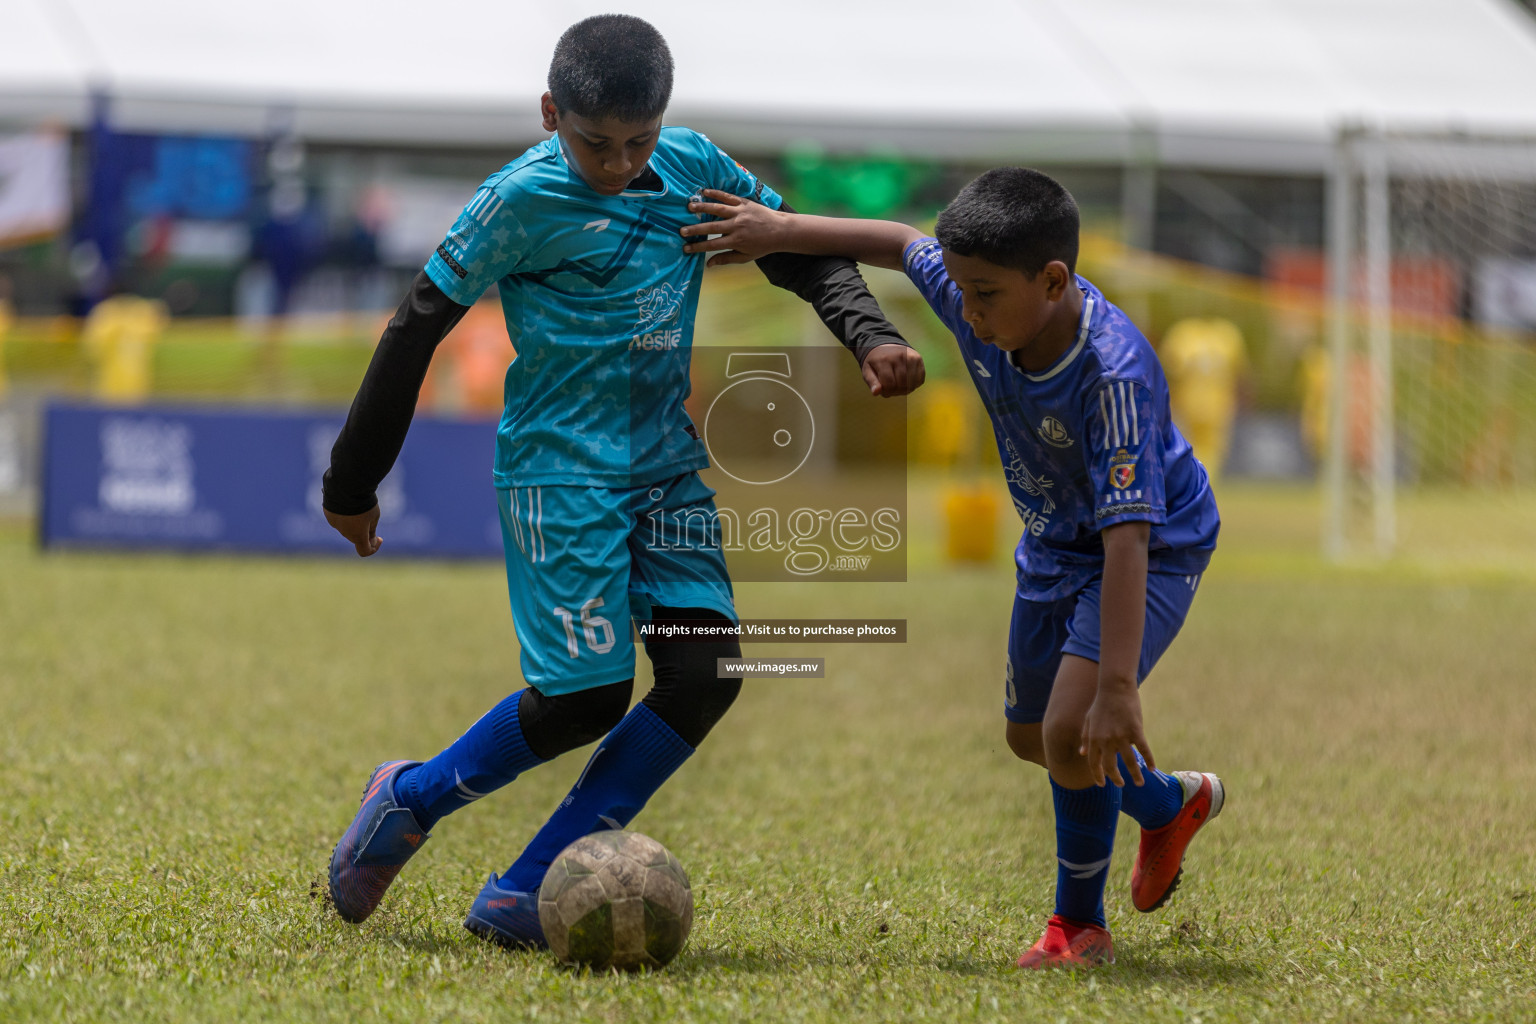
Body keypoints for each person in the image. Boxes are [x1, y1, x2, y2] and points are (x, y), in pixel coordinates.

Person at [321, 15, 923, 948]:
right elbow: (414, 327)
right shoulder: (516, 200)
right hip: (560, 473)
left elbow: (791, 245)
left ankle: (524, 888)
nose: (617, 162)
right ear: (550, 113)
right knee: (584, 698)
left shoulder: (690, 164)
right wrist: (353, 482)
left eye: (637, 141)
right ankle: (410, 798)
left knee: (704, 675)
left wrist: (870, 333)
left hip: (666, 470)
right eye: (595, 142)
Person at [681, 168, 1222, 968]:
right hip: (1053, 542)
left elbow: (1128, 541)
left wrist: (1117, 690)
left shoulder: (1114, 378)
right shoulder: (983, 295)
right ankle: (1168, 803)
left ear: (1053, 281)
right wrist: (775, 230)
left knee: (1073, 730)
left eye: (985, 295)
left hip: (1152, 543)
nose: (966, 313)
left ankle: (1078, 928)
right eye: (961, 291)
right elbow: (898, 244)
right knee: (1030, 738)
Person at [1159, 316, 1247, 480]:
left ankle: (1191, 483)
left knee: (1185, 445)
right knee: (1212, 449)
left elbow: (1170, 370)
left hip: (1189, 401)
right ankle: (1204, 483)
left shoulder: (1183, 333)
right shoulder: (1227, 335)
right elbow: (1239, 373)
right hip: (1217, 403)